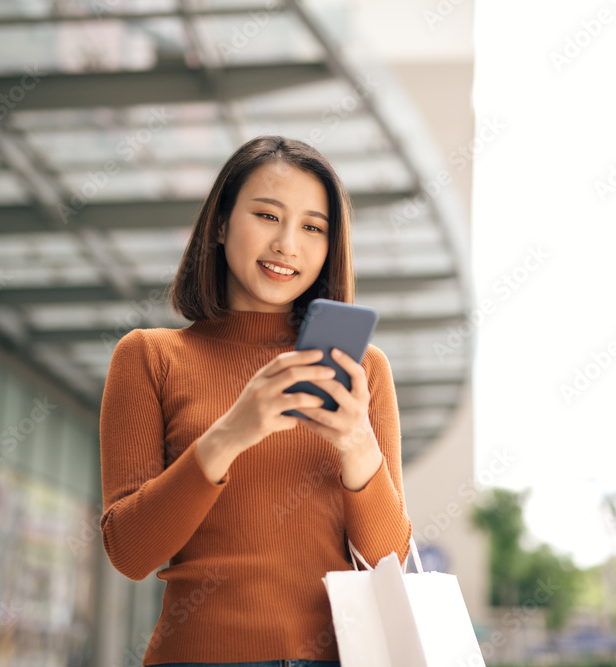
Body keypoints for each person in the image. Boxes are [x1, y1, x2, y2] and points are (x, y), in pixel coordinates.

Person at [99, 135, 413, 667]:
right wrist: (231, 433)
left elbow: (388, 561)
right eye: (268, 216)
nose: (289, 244)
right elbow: (129, 553)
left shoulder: (364, 371)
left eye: (313, 227)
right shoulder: (150, 357)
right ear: (220, 224)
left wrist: (358, 446)